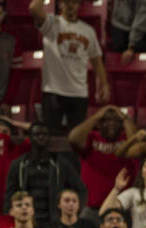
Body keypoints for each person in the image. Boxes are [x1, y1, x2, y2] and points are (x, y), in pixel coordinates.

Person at [30, 0, 109, 133]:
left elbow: (96, 60)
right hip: (53, 91)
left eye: (74, 2)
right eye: (66, 2)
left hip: (79, 92)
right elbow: (34, 8)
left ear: (79, 5)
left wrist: (104, 84)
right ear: (60, 4)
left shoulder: (88, 30)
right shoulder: (51, 23)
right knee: (51, 137)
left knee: (76, 138)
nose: (70, 5)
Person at [69, 106, 137, 210]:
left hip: (122, 207)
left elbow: (137, 144)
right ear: (99, 124)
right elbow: (73, 139)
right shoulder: (91, 137)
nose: (111, 124)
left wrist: (124, 117)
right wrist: (96, 116)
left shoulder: (127, 139)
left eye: (116, 120)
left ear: (122, 124)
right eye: (106, 120)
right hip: (92, 206)